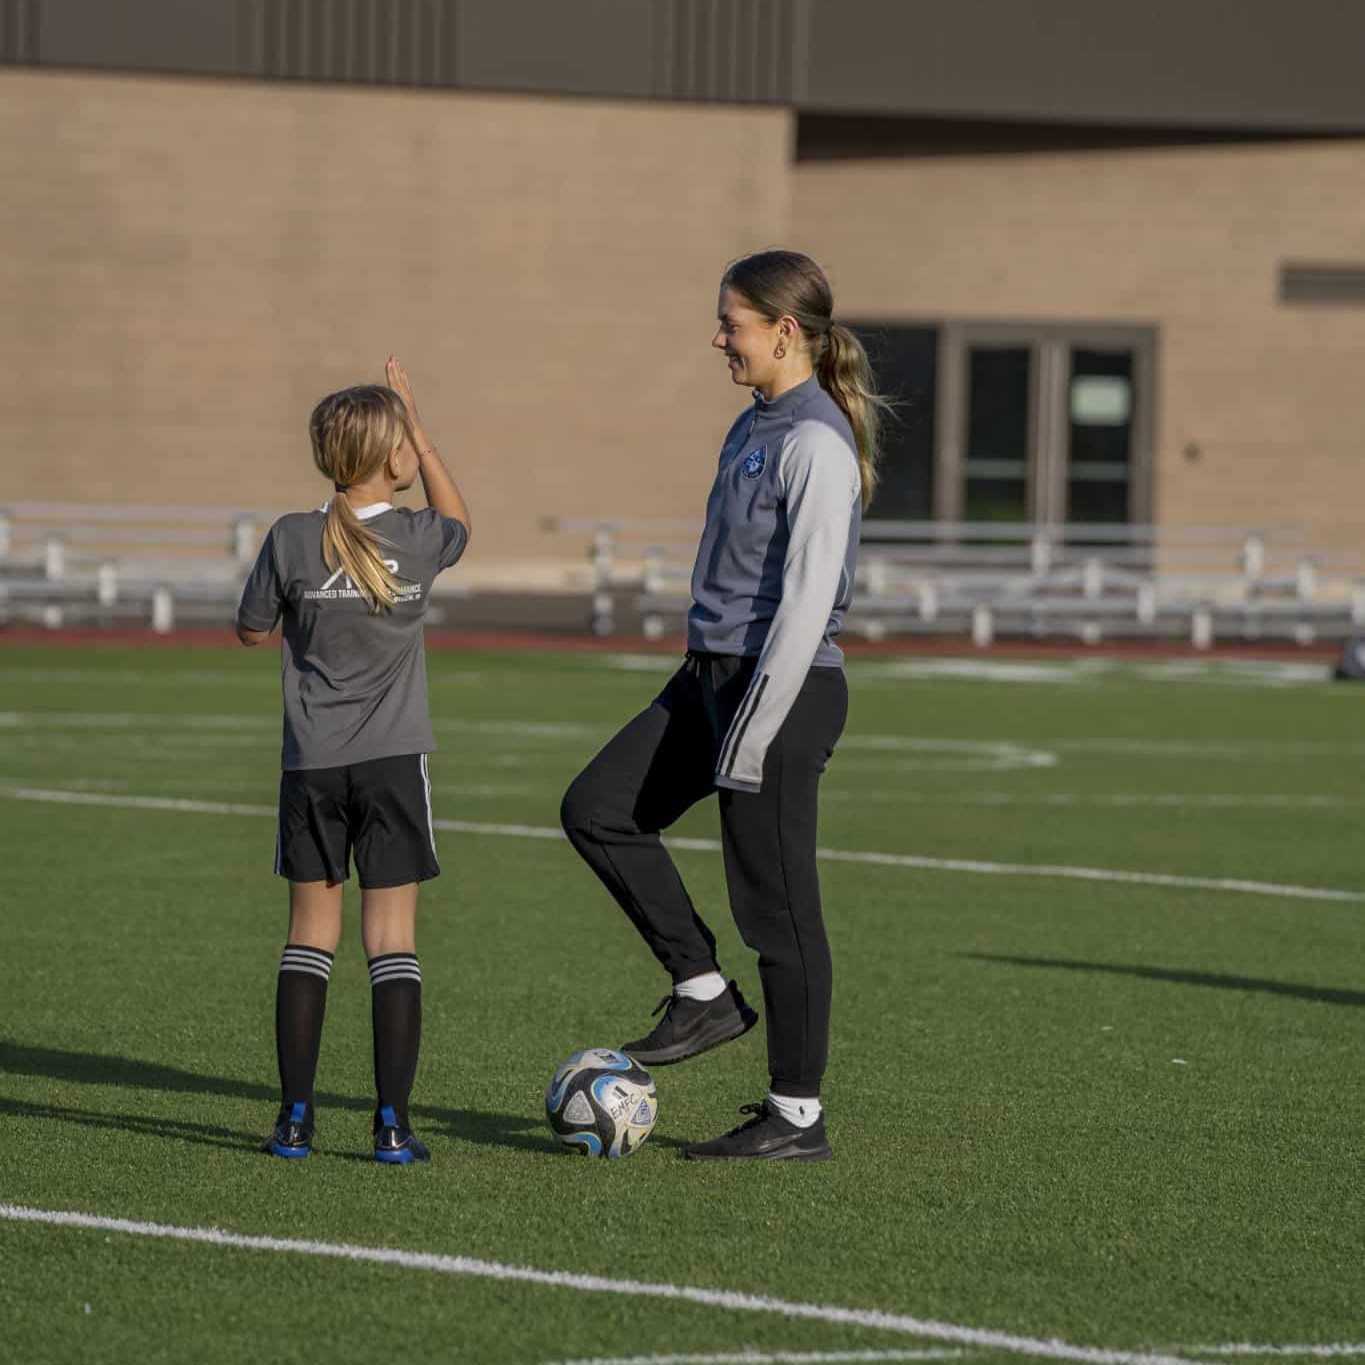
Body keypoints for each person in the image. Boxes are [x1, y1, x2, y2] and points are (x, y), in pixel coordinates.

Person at [560, 250, 887, 1161]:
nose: (718, 339)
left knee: (777, 911)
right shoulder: (754, 424)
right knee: (597, 808)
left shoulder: (815, 441)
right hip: (709, 679)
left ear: (786, 333)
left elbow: (808, 602)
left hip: (777, 690)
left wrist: (750, 729)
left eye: (731, 325)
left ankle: (796, 1116)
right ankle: (703, 991)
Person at [236, 358, 471, 1164]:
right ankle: (391, 1125)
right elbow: (461, 520)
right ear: (395, 456)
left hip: (312, 766)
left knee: (308, 940)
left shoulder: (291, 537)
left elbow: (249, 627)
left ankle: (294, 1119)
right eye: (406, 439)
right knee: (392, 944)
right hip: (394, 765)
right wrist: (426, 431)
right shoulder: (417, 538)